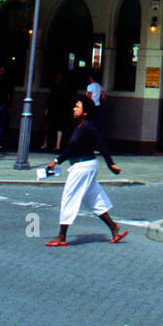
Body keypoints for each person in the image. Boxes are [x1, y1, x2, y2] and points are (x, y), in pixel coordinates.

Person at [44, 97, 127, 247]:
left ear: (85, 112)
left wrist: (110, 164)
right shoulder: (80, 127)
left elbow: (101, 144)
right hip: (83, 166)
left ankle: (61, 236)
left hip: (84, 166)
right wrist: (56, 161)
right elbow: (71, 149)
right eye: (74, 106)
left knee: (69, 197)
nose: (74, 109)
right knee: (93, 198)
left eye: (77, 107)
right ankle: (114, 227)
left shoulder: (89, 126)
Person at [42, 72, 72, 152]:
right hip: (61, 108)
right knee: (58, 127)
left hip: (55, 108)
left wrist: (47, 108)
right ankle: (57, 145)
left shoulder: (55, 86)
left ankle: (46, 144)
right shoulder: (65, 87)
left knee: (50, 126)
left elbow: (51, 98)